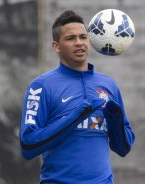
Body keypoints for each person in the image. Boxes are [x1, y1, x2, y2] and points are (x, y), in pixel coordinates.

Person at [19, 10, 135, 184]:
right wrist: (77, 115)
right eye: (70, 38)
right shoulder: (41, 86)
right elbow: (28, 146)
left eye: (83, 37)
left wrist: (115, 119)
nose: (79, 43)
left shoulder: (109, 85)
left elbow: (123, 148)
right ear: (56, 46)